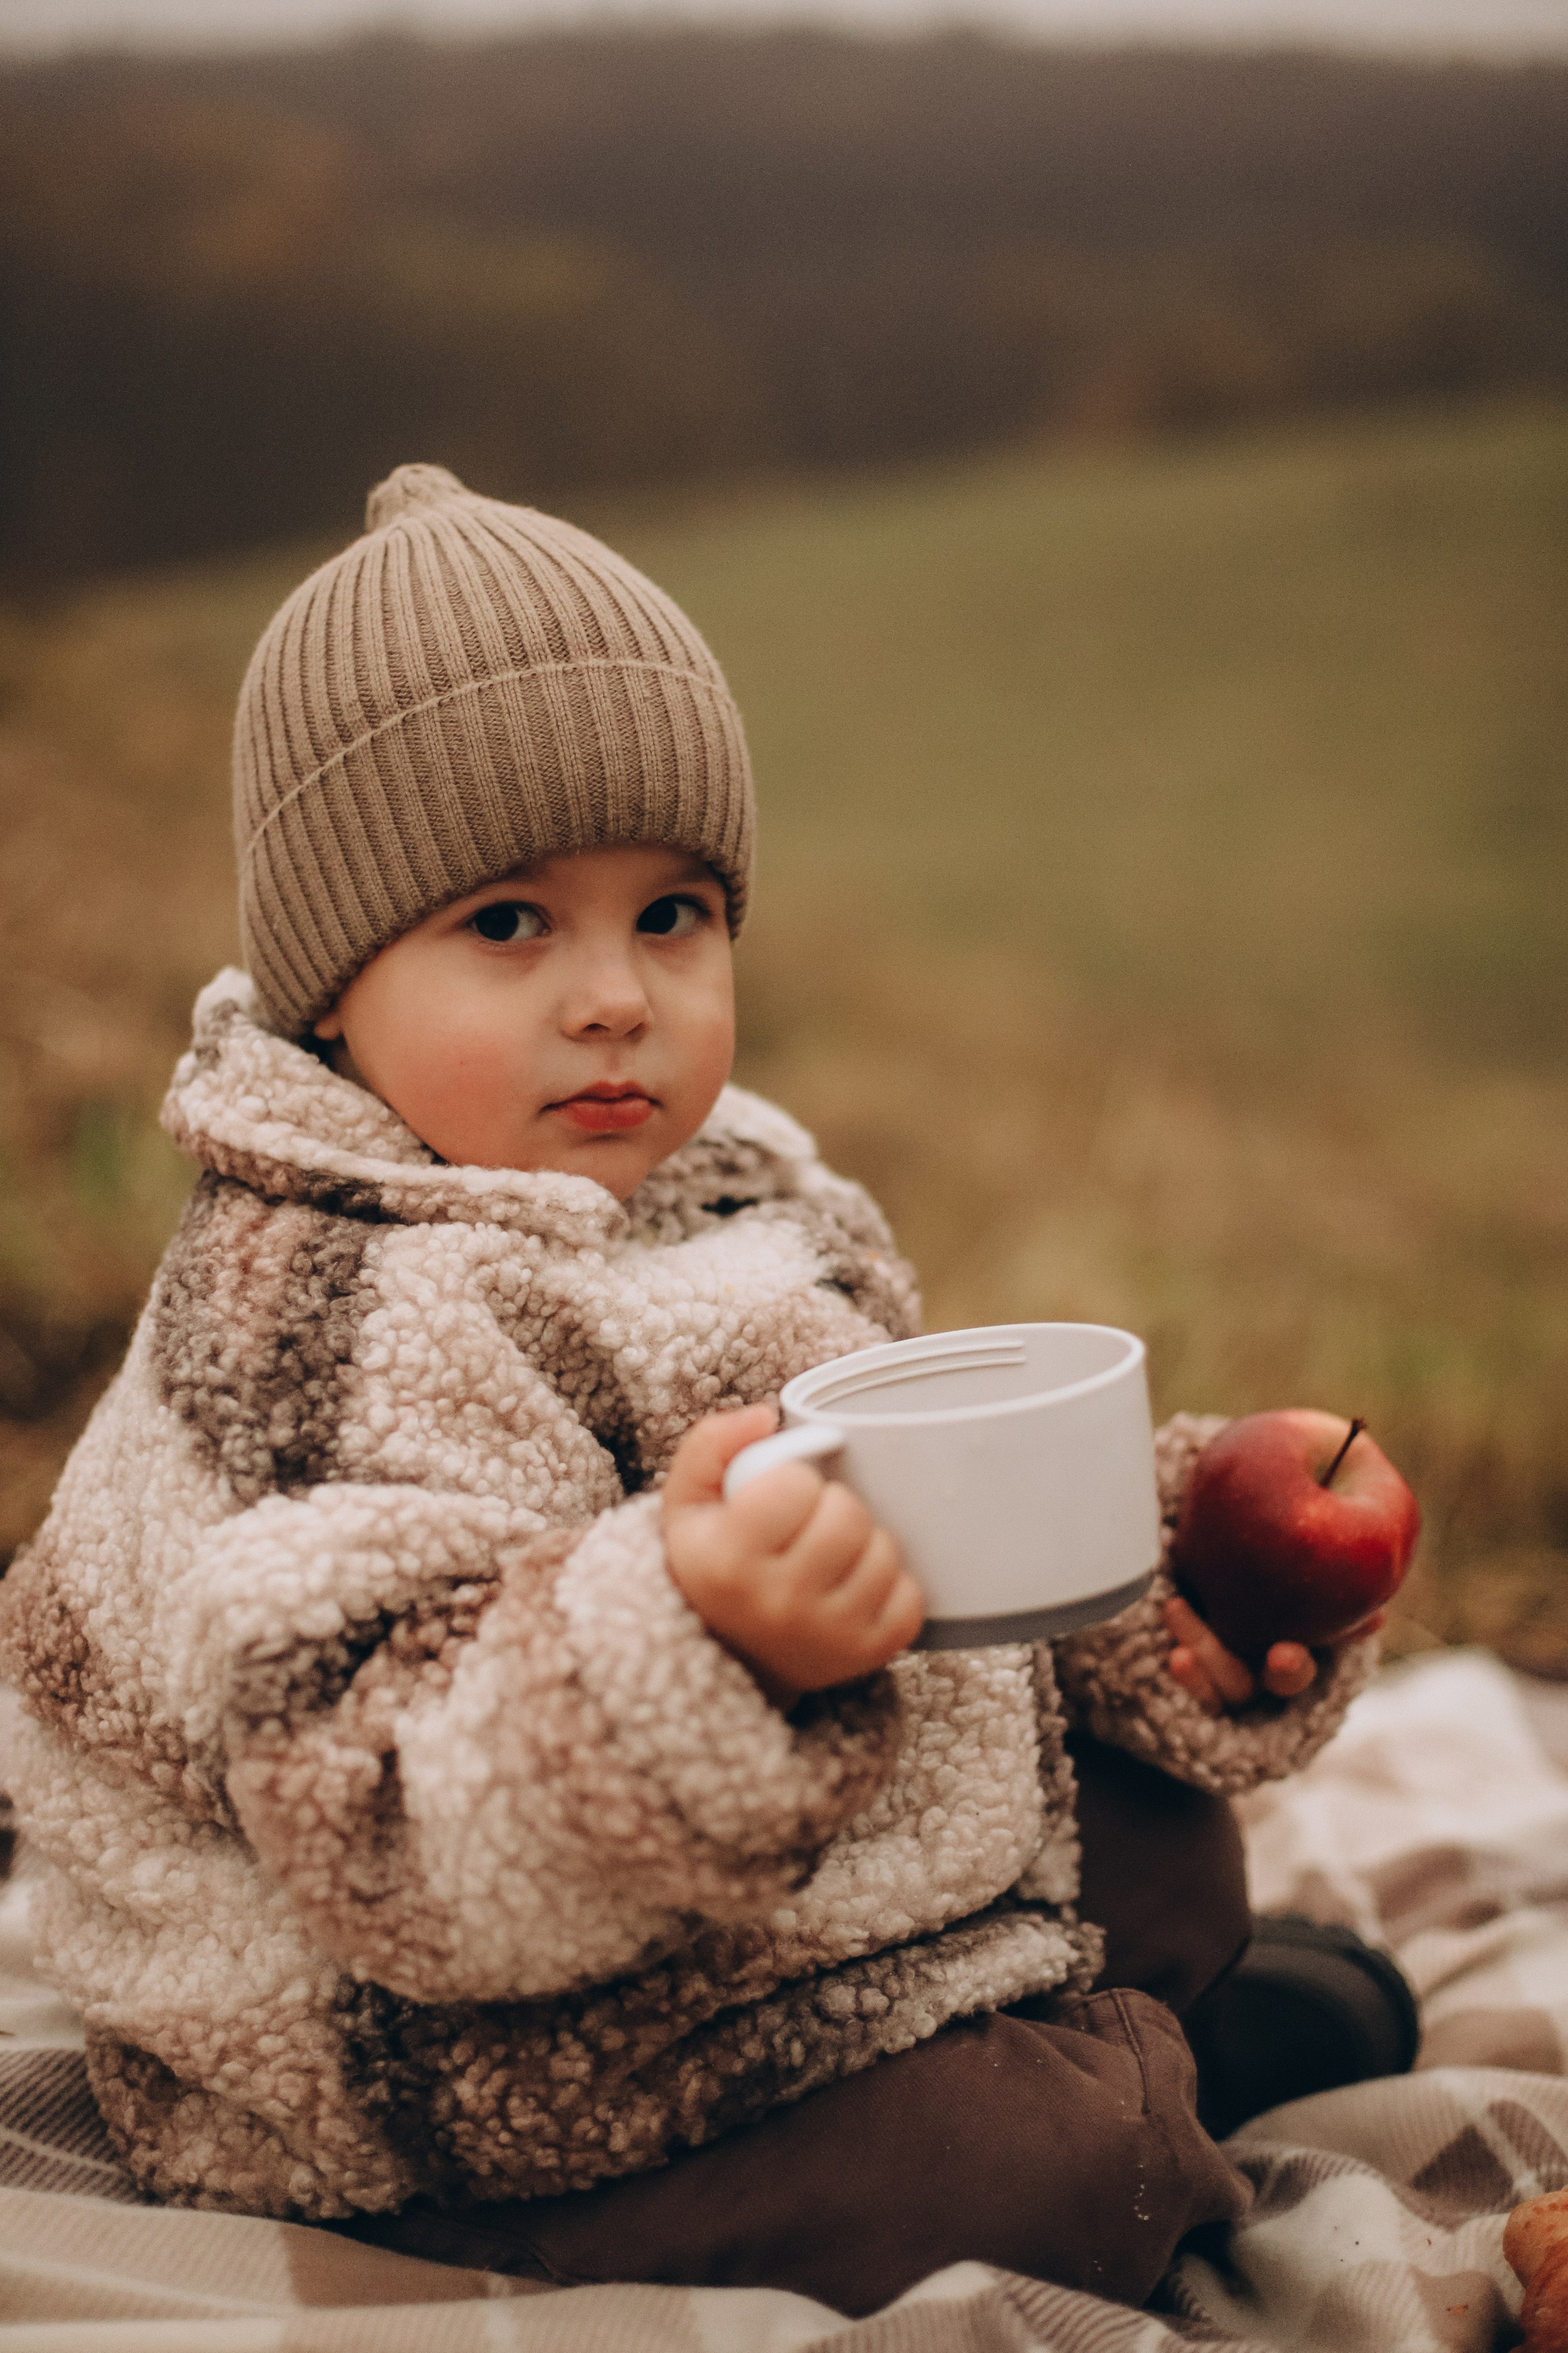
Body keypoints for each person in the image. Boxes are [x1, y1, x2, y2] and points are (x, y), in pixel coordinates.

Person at [0, 464, 1412, 2317]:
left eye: (673, 914)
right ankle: (1119, 2083)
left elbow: (899, 1536)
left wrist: (1157, 1590)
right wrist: (692, 1631)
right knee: (1079, 2170)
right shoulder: (323, 1311)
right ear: (331, 983)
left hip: (684, 1891)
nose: (615, 996)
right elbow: (390, 1820)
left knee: (1164, 1835)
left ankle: (1099, 2025)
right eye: (509, 924)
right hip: (411, 2039)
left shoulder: (736, 1193)